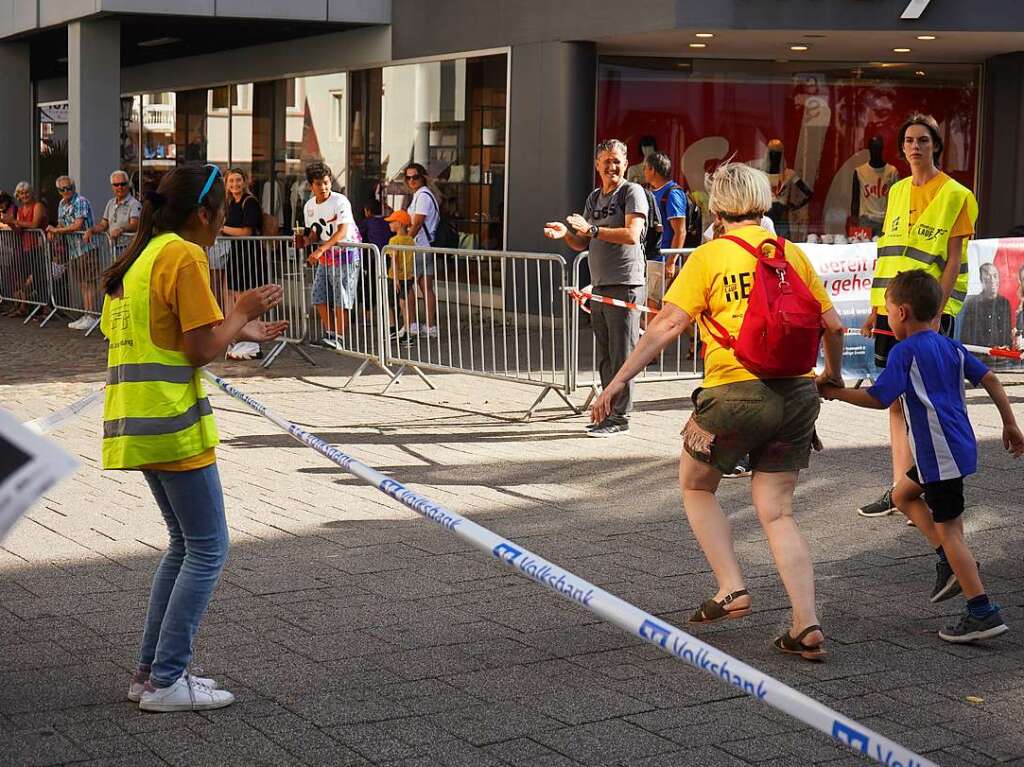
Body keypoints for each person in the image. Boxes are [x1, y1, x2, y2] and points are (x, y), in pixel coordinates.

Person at [591, 162, 845, 661]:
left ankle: (732, 587)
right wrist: (830, 378)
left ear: (718, 206)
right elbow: (833, 327)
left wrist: (617, 383)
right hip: (796, 397)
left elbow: (665, 327)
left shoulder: (709, 257)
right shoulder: (791, 254)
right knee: (778, 512)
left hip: (735, 394)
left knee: (696, 484)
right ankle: (806, 623)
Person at [98, 164, 287, 711]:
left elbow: (178, 336)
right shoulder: (183, 254)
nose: (221, 224)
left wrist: (238, 327)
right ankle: (165, 680)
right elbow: (200, 350)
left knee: (185, 547)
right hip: (174, 423)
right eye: (221, 215)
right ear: (203, 214)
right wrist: (243, 311)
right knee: (207, 549)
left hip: (138, 420)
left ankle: (150, 673)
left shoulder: (141, 257)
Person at [823, 271, 1023, 642]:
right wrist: (1010, 426)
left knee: (952, 532)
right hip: (957, 447)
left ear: (901, 313)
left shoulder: (904, 352)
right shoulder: (951, 346)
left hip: (939, 454)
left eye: (886, 312)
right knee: (901, 495)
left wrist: (834, 393)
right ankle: (950, 561)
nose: (886, 318)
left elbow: (879, 398)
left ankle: (981, 610)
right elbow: (992, 379)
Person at [858, 114, 979, 519]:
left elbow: (955, 260)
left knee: (929, 402)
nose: (915, 147)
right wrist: (877, 310)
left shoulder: (957, 194)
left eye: (923, 141)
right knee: (895, 398)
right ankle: (900, 488)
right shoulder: (896, 192)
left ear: (936, 145)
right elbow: (889, 254)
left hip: (927, 314)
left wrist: (937, 313)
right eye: (909, 141)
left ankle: (931, 484)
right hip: (894, 312)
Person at [544, 139, 649, 437]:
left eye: (616, 160)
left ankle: (621, 416)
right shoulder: (594, 197)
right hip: (600, 284)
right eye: (605, 161)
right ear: (596, 165)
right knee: (604, 355)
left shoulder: (632, 192)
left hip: (625, 282)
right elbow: (583, 242)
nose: (611, 166)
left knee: (622, 356)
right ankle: (606, 412)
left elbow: (631, 234)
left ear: (626, 163)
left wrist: (591, 230)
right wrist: (566, 234)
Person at [296, 161, 360, 349]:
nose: (323, 187)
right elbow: (316, 229)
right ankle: (331, 333)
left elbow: (342, 231)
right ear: (311, 186)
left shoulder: (340, 201)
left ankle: (339, 337)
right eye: (318, 184)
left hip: (345, 252)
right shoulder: (309, 205)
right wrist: (308, 240)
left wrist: (321, 249)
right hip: (327, 253)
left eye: (326, 182)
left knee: (342, 295)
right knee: (318, 294)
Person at [220, 168, 265, 360]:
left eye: (238, 180)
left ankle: (253, 342)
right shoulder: (231, 203)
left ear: (244, 181)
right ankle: (241, 339)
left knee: (248, 298)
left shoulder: (250, 202)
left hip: (250, 255)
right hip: (236, 254)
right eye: (231, 181)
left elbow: (246, 232)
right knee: (237, 297)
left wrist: (222, 228)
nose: (235, 185)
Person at [46, 176, 98, 331]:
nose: (66, 191)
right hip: (73, 250)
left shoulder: (80, 201)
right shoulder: (62, 203)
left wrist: (57, 230)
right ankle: (86, 314)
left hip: (86, 248)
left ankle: (92, 315)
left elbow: (77, 225)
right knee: (82, 283)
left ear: (73, 188)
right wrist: (53, 229)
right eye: (62, 189)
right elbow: (62, 222)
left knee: (89, 282)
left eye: (68, 188)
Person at [643, 151, 687, 309]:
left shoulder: (672, 194)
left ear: (653, 170)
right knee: (651, 308)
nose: (644, 173)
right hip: (652, 259)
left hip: (662, 261)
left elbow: (680, 231)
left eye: (645, 168)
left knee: (652, 307)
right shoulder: (652, 192)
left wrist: (671, 262)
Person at [404, 163, 439, 337]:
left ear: (423, 177)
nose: (411, 180)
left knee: (408, 285)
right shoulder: (425, 195)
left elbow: (417, 222)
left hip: (418, 246)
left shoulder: (423, 196)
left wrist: (405, 242)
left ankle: (412, 324)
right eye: (408, 177)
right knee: (426, 287)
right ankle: (430, 326)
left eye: (415, 177)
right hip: (426, 246)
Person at [4, 183, 49, 317]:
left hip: (38, 246)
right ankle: (23, 306)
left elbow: (34, 224)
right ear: (18, 196)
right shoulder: (21, 209)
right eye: (21, 193)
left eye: (26, 192)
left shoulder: (38, 206)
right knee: (22, 277)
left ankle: (45, 309)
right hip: (25, 246)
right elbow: (19, 230)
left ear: (31, 193)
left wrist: (15, 221)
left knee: (39, 278)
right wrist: (11, 224)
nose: (24, 195)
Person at [960, 263, 1012, 353]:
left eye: (995, 276)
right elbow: (966, 338)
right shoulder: (972, 304)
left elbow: (1007, 335)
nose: (992, 280)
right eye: (988, 277)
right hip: (981, 355)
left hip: (1002, 356)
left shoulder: (1004, 303)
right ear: (981, 280)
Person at [384, 208, 416, 343]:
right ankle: (407, 332)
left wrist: (396, 278)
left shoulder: (394, 240)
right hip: (408, 277)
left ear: (400, 223)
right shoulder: (411, 240)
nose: (390, 224)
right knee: (404, 304)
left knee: (390, 303)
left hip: (395, 276)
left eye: (392, 222)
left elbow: (394, 260)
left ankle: (393, 330)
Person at [84, 170, 142, 246]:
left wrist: (121, 229)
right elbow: (103, 225)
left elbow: (135, 224)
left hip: (128, 248)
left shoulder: (134, 204)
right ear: (112, 187)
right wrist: (91, 230)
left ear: (128, 185)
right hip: (113, 248)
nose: (120, 187)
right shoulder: (110, 203)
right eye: (116, 185)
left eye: (123, 184)